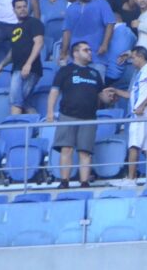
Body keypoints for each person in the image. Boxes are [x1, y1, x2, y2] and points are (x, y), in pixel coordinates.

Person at [47, 41, 104, 188]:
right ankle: (64, 181)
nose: (90, 52)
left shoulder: (95, 73)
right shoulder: (65, 71)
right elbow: (54, 91)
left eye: (90, 50)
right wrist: (49, 113)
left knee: (85, 151)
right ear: (75, 53)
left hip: (89, 117)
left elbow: (101, 95)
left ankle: (84, 182)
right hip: (68, 115)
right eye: (86, 50)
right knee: (66, 148)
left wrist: (110, 96)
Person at [102, 46, 147, 185]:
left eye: (133, 58)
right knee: (146, 148)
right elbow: (131, 95)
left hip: (143, 115)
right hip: (145, 115)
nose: (132, 61)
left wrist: (142, 106)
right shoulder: (141, 72)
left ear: (140, 57)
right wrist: (116, 91)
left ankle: (131, 179)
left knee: (134, 146)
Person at [0, 0, 44, 115]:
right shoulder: (14, 28)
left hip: (30, 69)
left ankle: (12, 128)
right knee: (24, 102)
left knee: (16, 102)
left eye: (24, 6)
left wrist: (28, 64)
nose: (22, 9)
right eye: (19, 7)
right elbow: (13, 51)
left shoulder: (34, 22)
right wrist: (2, 64)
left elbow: (39, 42)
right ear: (14, 10)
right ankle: (36, 126)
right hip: (16, 68)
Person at [60, 0, 115, 80]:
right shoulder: (71, 8)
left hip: (97, 58)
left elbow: (110, 24)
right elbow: (67, 32)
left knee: (96, 91)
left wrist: (105, 44)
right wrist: (63, 52)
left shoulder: (101, 3)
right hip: (75, 59)